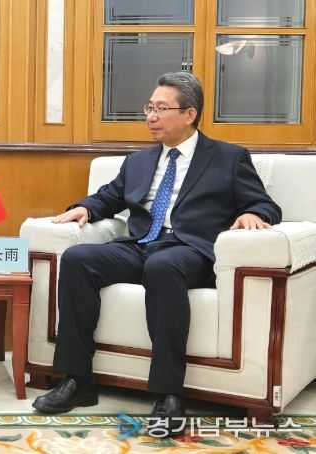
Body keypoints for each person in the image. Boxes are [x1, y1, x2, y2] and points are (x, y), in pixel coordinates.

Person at [31, 71, 281, 430]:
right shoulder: (138, 161)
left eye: (161, 109)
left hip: (190, 250)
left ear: (189, 114)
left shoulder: (228, 158)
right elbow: (109, 196)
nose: (151, 116)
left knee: (163, 266)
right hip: (141, 244)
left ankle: (168, 393)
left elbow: (264, 203)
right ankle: (77, 380)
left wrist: (253, 213)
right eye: (149, 108)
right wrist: (85, 208)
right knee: (78, 259)